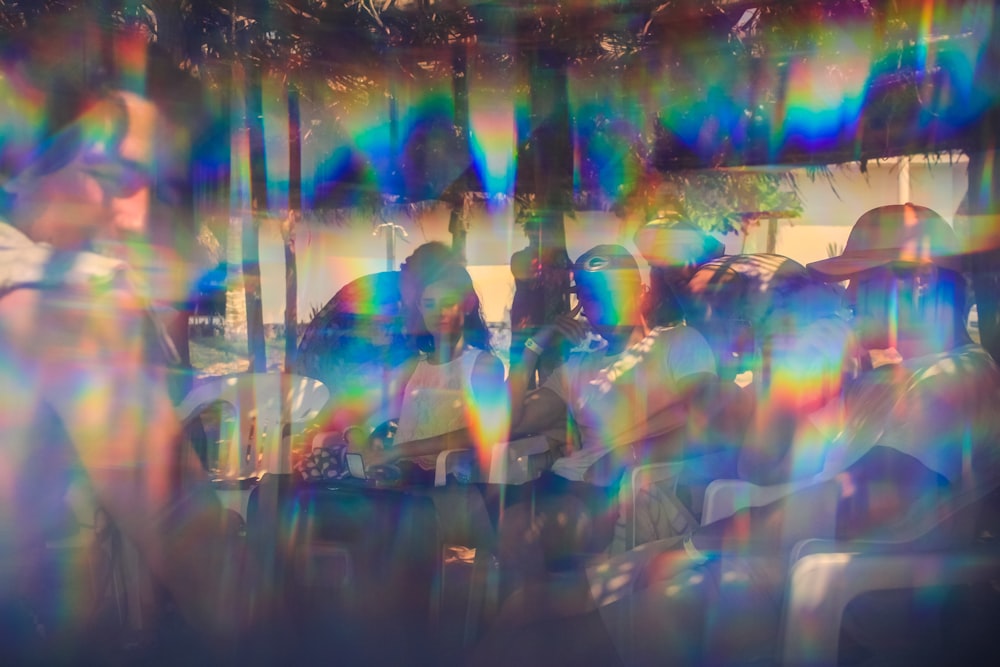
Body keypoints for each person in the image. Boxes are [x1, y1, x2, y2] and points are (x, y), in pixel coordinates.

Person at [594, 203, 1000, 665]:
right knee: (603, 589)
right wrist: (783, 379)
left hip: (848, 599)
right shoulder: (884, 382)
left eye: (861, 279)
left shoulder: (960, 379)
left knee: (606, 621)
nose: (848, 294)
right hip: (786, 567)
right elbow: (765, 464)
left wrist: (699, 544)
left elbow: (860, 502)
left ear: (919, 282)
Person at [0, 43, 258, 663]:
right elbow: (184, 534)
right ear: (29, 163)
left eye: (157, 187)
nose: (138, 215)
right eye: (114, 178)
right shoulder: (60, 295)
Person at [506, 243, 719, 552]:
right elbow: (513, 422)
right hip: (562, 483)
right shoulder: (578, 365)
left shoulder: (679, 342)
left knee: (527, 530)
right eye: (587, 294)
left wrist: (625, 449)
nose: (597, 302)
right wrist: (531, 349)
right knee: (466, 513)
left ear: (641, 292)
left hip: (614, 489)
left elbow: (701, 411)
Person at [363, 256, 506, 485]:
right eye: (429, 304)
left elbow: (484, 433)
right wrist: (356, 436)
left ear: (468, 305)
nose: (438, 313)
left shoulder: (483, 365)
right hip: (400, 473)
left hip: (449, 479)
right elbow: (369, 410)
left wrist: (402, 450)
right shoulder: (413, 366)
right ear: (419, 307)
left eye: (448, 302)